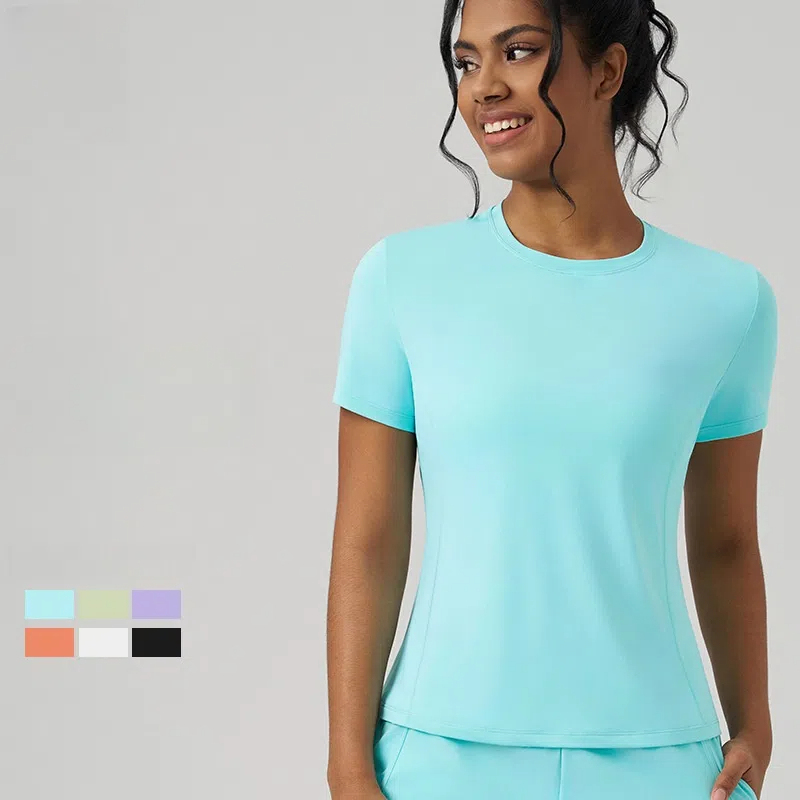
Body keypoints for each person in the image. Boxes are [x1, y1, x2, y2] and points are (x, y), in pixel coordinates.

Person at [326, 0, 778, 797]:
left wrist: (755, 722)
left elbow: (727, 541)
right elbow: (368, 541)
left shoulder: (727, 301)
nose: (484, 87)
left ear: (607, 71)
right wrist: (347, 766)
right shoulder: (402, 278)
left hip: (663, 759)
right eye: (467, 61)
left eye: (520, 51)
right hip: (439, 758)